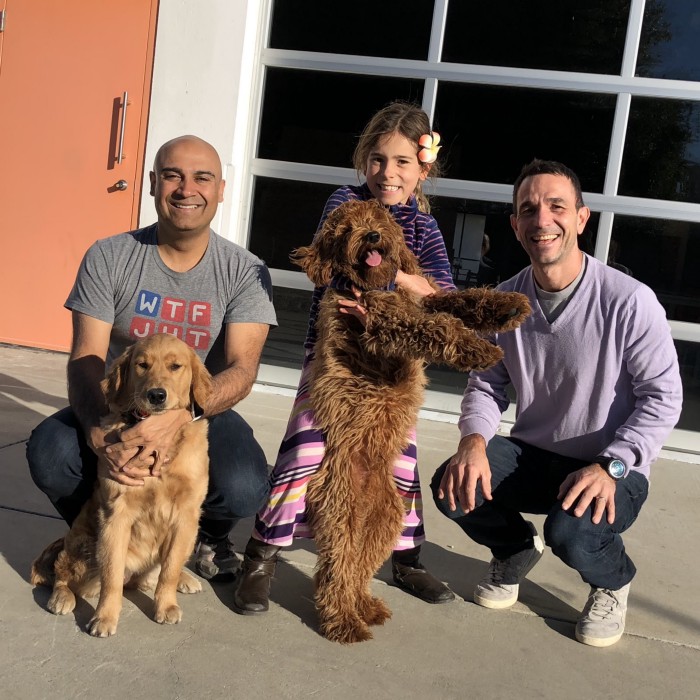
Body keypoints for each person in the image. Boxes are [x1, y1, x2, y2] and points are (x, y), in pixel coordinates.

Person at [431, 159, 682, 647]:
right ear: (515, 225)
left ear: (582, 219)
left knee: (572, 534)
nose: (542, 219)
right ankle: (516, 549)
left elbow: (663, 396)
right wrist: (474, 441)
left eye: (556, 206)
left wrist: (613, 464)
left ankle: (613, 581)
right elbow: (486, 385)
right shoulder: (505, 302)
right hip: (536, 453)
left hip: (612, 465)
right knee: (452, 486)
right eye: (528, 209)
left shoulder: (629, 301)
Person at [233, 101, 457, 614]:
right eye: (378, 159)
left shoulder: (425, 228)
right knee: (307, 449)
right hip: (334, 356)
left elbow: (440, 293)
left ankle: (406, 558)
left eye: (402, 162)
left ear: (423, 168)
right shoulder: (345, 201)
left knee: (398, 462)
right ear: (364, 161)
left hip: (395, 366)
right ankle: (262, 554)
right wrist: (401, 282)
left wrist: (398, 278)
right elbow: (331, 266)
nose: (388, 173)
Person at [27, 135, 278, 581]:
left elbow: (242, 368)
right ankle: (97, 534)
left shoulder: (243, 270)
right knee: (51, 454)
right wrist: (98, 437)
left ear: (221, 189)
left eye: (202, 178)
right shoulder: (109, 256)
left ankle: (203, 538)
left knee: (245, 486)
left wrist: (185, 415)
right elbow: (86, 357)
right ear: (152, 184)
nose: (186, 189)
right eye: (172, 176)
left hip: (202, 409)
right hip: (120, 407)